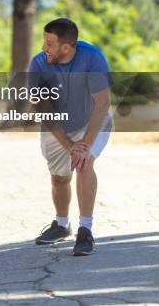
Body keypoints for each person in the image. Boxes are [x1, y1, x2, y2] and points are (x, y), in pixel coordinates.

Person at [29, 18, 113, 256]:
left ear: (65, 48)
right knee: (59, 179)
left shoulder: (92, 57)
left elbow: (102, 103)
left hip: (92, 121)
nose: (44, 48)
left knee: (84, 163)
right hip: (58, 126)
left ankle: (85, 230)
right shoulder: (38, 64)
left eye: (49, 43)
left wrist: (84, 145)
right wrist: (69, 145)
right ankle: (62, 224)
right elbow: (44, 111)